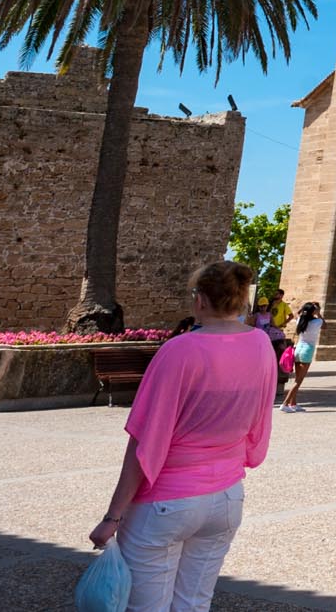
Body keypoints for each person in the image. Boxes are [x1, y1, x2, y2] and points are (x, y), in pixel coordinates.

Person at [89, 260, 277, 611]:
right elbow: (259, 419)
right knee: (194, 603)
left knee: (145, 606)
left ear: (201, 300)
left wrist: (112, 516)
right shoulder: (261, 345)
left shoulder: (179, 350)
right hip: (226, 496)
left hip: (166, 501)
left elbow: (146, 440)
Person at [281, 302, 322, 412]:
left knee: (297, 378)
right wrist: (319, 313)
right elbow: (325, 324)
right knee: (298, 381)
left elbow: (298, 314)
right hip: (307, 350)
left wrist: (304, 307)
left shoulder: (301, 320)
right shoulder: (317, 322)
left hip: (298, 349)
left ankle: (293, 403)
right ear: (313, 312)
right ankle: (285, 404)